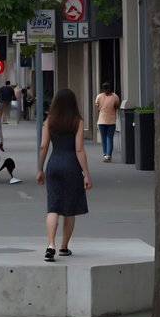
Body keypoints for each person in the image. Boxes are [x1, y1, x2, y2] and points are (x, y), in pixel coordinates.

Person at [37, 88, 92, 261]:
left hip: (53, 165)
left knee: (53, 207)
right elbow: (79, 149)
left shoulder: (49, 120)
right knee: (69, 209)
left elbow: (43, 146)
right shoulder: (77, 121)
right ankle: (64, 246)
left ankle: (50, 244)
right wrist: (86, 174)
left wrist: (40, 169)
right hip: (71, 167)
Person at [93, 82, 121, 162]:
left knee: (104, 138)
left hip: (101, 120)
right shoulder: (115, 96)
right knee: (109, 138)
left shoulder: (99, 96)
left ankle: (105, 154)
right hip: (111, 120)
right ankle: (108, 155)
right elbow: (117, 106)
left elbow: (97, 106)